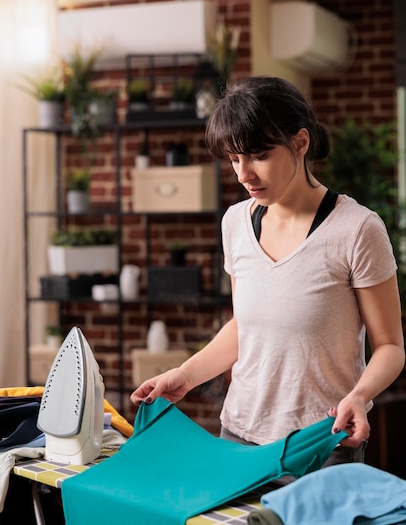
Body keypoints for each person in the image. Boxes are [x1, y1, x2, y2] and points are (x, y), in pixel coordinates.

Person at [131, 76, 405, 466]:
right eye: (234, 158)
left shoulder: (357, 229)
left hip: (321, 442)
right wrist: (186, 375)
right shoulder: (235, 223)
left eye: (257, 156)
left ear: (300, 143)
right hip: (239, 435)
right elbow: (245, 326)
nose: (243, 174)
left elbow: (391, 347)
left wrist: (359, 395)